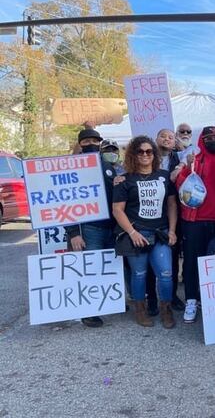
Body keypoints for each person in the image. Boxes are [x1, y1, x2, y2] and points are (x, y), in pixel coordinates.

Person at [112, 136, 178, 329]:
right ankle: (140, 310)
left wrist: (172, 230)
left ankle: (166, 309)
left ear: (154, 154)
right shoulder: (124, 180)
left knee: (166, 273)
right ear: (133, 154)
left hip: (160, 232)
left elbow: (172, 204)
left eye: (149, 151)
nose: (145, 155)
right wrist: (132, 233)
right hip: (137, 233)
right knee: (139, 274)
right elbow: (117, 210)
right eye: (140, 151)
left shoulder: (164, 176)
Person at [64, 129, 117, 328]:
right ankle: (88, 311)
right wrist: (73, 233)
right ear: (80, 144)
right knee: (90, 270)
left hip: (111, 229)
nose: (92, 144)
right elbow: (63, 203)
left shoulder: (109, 167)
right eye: (87, 141)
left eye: (95, 141)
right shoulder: (70, 169)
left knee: (108, 269)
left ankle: (108, 301)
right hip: (89, 228)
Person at [175, 126, 215, 324]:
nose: (214, 140)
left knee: (214, 263)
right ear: (202, 139)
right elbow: (180, 185)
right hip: (193, 220)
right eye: (210, 137)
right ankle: (191, 300)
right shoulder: (194, 158)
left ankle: (211, 299)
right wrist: (187, 168)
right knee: (192, 262)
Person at [153, 129, 186, 312]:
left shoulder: (179, 160)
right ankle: (151, 300)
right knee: (148, 256)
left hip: (173, 213)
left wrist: (181, 167)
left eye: (170, 137)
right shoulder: (146, 156)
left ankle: (171, 296)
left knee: (172, 257)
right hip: (148, 214)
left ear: (175, 143)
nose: (166, 139)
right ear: (155, 139)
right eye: (163, 136)